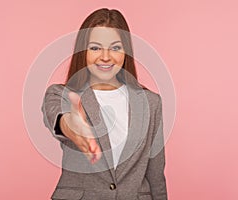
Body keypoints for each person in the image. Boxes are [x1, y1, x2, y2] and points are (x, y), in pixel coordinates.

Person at [42, 8, 167, 200]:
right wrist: (70, 125)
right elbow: (56, 119)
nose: (106, 56)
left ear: (126, 51)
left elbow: (156, 175)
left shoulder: (151, 103)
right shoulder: (62, 95)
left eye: (115, 47)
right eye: (95, 48)